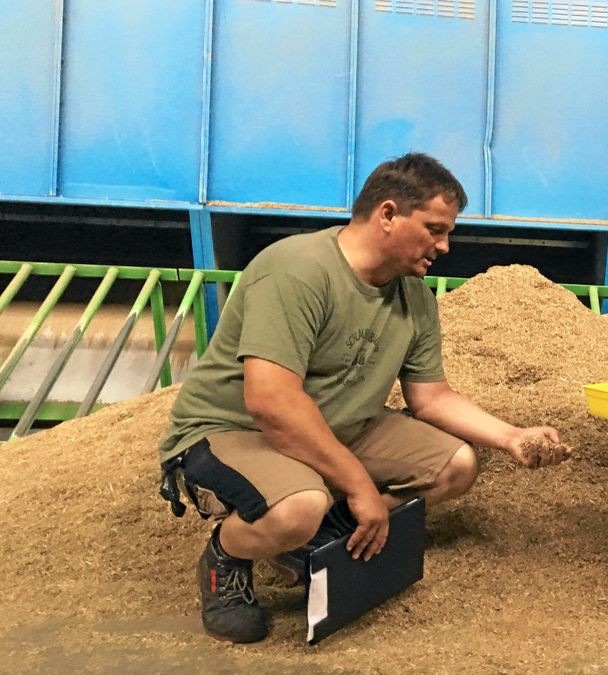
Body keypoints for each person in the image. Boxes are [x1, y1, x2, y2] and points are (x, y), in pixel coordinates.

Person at [157, 153, 570, 643]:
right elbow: (272, 402)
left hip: (338, 425)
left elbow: (431, 397)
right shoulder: (296, 271)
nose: (444, 245)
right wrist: (358, 485)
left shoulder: (415, 297)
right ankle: (227, 557)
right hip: (233, 429)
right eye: (435, 229)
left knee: (456, 466)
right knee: (298, 507)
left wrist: (512, 436)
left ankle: (313, 542)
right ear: (388, 214)